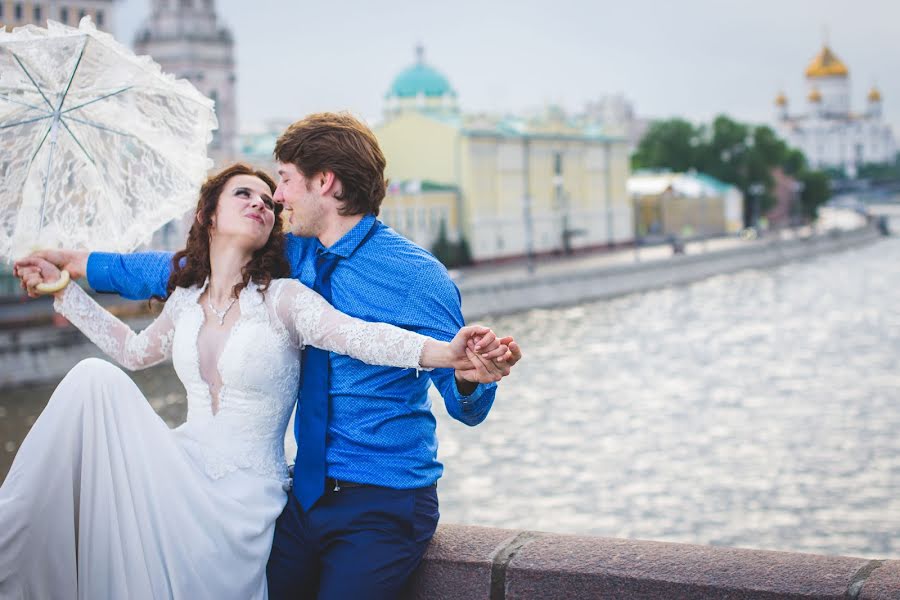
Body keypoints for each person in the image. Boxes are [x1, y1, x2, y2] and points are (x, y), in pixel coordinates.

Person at [17, 112, 523, 599]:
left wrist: (470, 376)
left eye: (282, 180)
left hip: (382, 498)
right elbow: (183, 269)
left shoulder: (418, 276)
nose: (276, 198)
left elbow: (465, 405)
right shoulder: (290, 253)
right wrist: (77, 265)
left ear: (323, 182)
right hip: (302, 497)